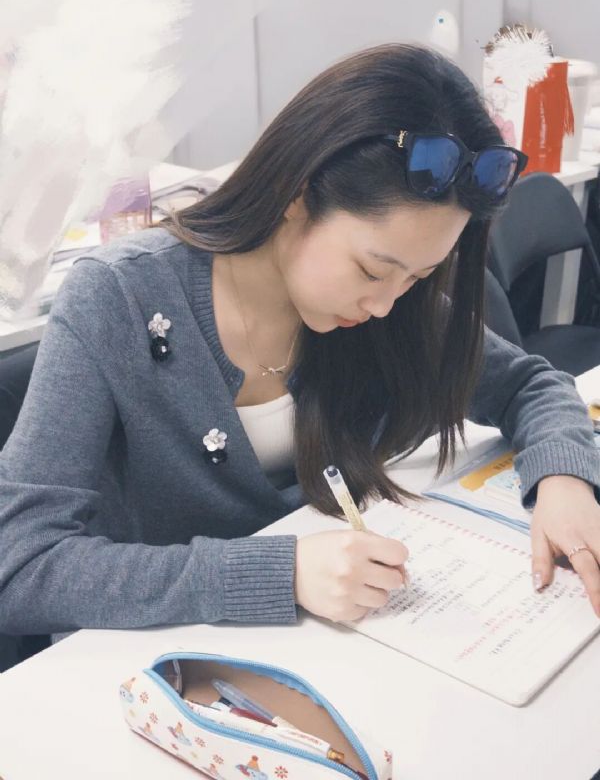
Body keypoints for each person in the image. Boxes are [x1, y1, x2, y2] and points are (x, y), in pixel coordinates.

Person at [0, 43, 599, 641]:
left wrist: (563, 479)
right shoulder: (119, 296)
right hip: (147, 661)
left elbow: (528, 384)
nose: (385, 305)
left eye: (417, 277)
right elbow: (19, 566)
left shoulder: (391, 305)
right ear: (297, 193)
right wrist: (280, 572)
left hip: (338, 641)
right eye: (371, 270)